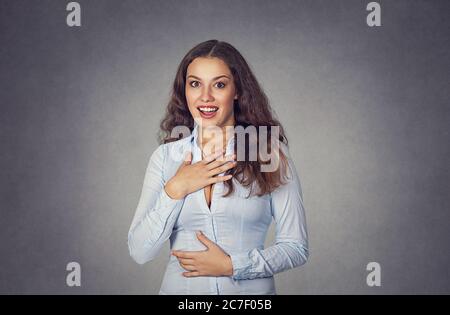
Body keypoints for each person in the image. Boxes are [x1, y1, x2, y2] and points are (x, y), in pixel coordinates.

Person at [127, 39, 309, 295]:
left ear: (237, 91)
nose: (205, 97)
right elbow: (139, 251)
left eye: (219, 84)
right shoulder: (165, 158)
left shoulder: (269, 154)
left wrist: (233, 266)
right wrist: (176, 189)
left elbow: (296, 247)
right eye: (195, 84)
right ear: (185, 90)